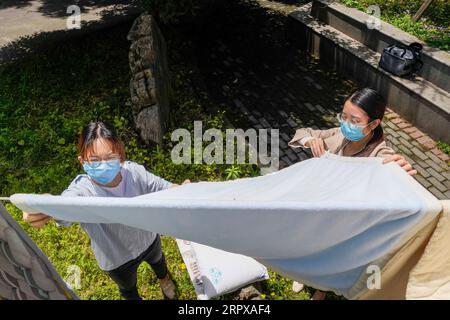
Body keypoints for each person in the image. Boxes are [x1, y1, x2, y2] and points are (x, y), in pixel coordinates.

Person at [22, 121, 190, 300]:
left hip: (148, 239)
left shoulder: (134, 173)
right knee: (128, 287)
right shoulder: (82, 191)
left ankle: (164, 279)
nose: (103, 164)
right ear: (82, 161)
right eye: (95, 160)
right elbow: (64, 206)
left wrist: (186, 191)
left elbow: (164, 187)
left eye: (110, 157)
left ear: (119, 154)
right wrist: (45, 205)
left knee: (159, 262)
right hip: (117, 258)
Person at [288, 88, 417, 299]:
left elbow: (395, 172)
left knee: (332, 256)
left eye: (354, 120)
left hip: (346, 222)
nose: (346, 124)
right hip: (323, 207)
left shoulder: (379, 154)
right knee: (312, 244)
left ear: (373, 124)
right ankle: (305, 274)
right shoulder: (340, 135)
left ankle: (321, 291)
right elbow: (302, 133)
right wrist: (309, 141)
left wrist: (400, 172)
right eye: (344, 116)